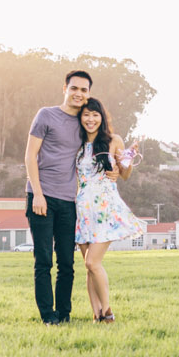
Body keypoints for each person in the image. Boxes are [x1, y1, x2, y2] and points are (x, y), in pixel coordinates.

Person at [24, 69, 94, 323]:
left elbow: (103, 149)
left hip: (69, 201)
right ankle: (47, 315)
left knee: (67, 263)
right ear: (64, 89)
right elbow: (30, 156)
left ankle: (63, 314)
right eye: (74, 88)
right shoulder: (46, 115)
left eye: (84, 90)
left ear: (89, 94)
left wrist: (120, 166)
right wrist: (38, 195)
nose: (78, 93)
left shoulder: (85, 123)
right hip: (41, 197)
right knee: (44, 260)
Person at [74, 97, 145, 323]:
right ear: (80, 117)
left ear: (102, 117)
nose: (91, 119)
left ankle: (107, 312)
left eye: (95, 115)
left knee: (92, 262)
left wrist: (129, 158)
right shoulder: (76, 142)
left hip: (105, 207)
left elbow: (124, 174)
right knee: (89, 267)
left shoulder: (114, 140)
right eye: (86, 114)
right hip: (83, 208)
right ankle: (95, 315)